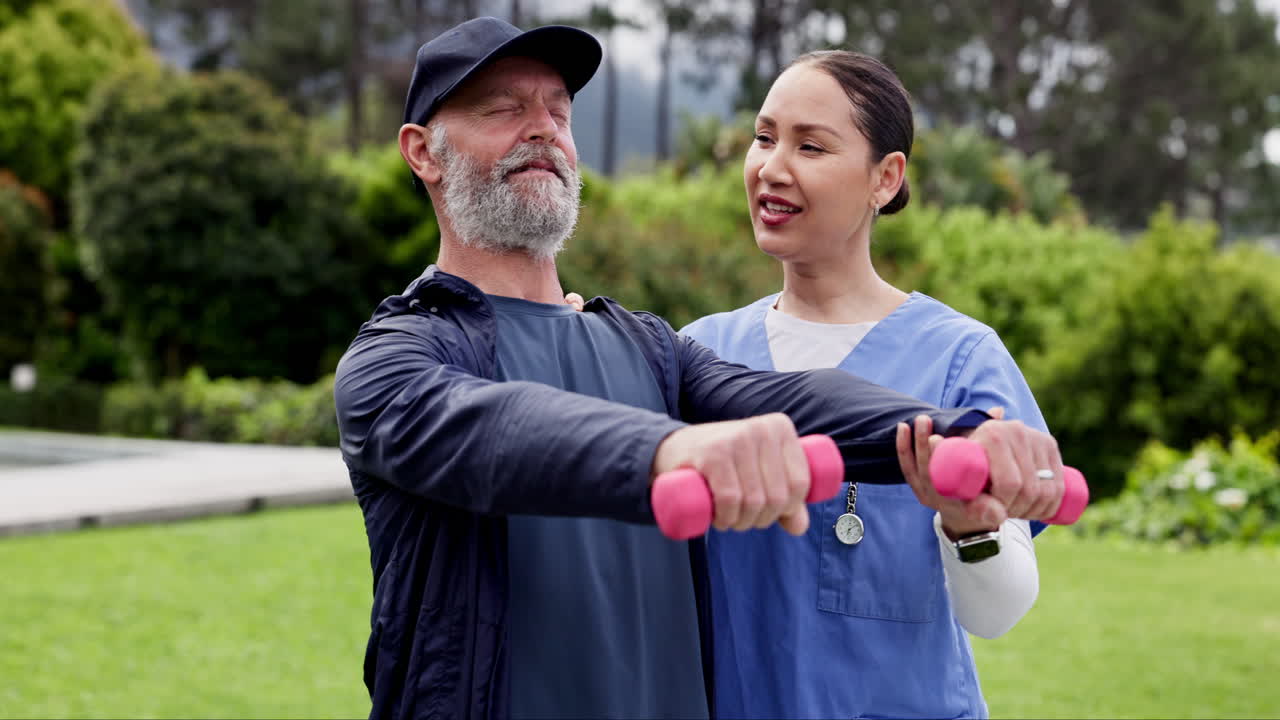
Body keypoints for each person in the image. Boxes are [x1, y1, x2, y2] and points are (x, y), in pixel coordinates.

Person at [334, 18, 1067, 720]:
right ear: (423, 152)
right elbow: (493, 431)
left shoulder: (649, 348)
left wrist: (961, 431)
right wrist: (668, 449)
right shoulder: (396, 357)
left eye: (559, 112)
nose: (542, 129)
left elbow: (793, 401)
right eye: (504, 108)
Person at [674, 50, 1055, 719]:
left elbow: (1000, 613)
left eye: (811, 146)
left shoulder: (960, 360)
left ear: (886, 178)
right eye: (764, 138)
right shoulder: (697, 352)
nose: (772, 166)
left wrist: (970, 527)